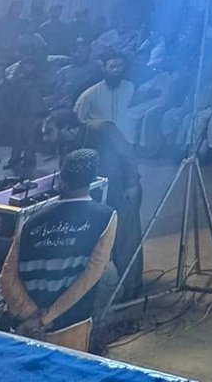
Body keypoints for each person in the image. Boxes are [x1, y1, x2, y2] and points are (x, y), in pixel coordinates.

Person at [0, 148, 118, 347]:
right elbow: (91, 276)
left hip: (24, 326)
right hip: (71, 325)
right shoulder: (105, 217)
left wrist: (29, 315)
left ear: (62, 179)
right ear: (91, 179)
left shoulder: (31, 221)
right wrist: (45, 318)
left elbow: (7, 277)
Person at [43, 109, 144, 301]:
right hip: (96, 196)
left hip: (121, 190)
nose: (46, 138)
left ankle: (133, 286)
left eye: (49, 131)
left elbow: (127, 154)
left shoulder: (102, 129)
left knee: (125, 240)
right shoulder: (65, 145)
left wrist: (132, 184)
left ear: (67, 128)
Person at [73, 52, 138, 142]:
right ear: (104, 68)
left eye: (120, 66)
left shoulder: (130, 87)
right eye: (112, 67)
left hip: (127, 139)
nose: (116, 70)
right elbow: (77, 119)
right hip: (101, 142)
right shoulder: (90, 94)